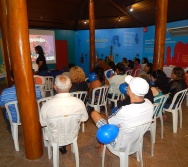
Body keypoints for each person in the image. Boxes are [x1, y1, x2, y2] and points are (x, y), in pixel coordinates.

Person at [91, 75, 153, 153]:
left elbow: (109, 122)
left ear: (131, 91)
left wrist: (101, 115)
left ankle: (102, 145)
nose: (127, 86)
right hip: (136, 140)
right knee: (106, 117)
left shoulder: (125, 110)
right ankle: (101, 145)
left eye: (128, 86)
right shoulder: (149, 104)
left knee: (94, 113)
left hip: (120, 144)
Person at [40, 75, 88, 155]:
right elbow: (84, 118)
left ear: (55, 87)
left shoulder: (47, 105)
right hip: (71, 135)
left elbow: (43, 123)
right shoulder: (79, 102)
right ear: (70, 86)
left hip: (54, 137)